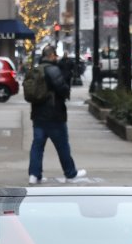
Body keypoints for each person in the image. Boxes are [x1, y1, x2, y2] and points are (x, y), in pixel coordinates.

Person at [28, 45, 90, 186]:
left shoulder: (36, 70)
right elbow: (62, 89)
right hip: (54, 114)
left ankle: (34, 175)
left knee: (37, 146)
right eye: (54, 55)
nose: (56, 58)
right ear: (50, 56)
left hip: (37, 114)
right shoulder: (53, 70)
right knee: (62, 145)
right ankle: (70, 173)